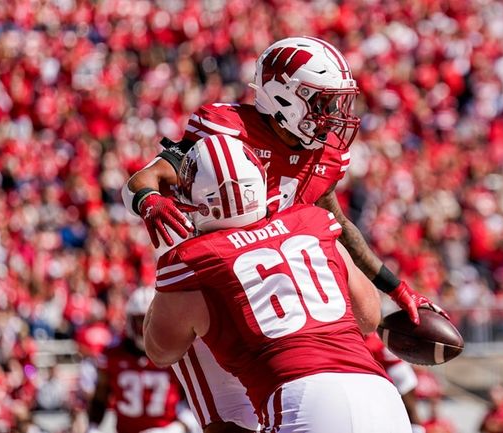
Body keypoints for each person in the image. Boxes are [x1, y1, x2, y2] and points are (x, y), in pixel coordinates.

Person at [124, 35, 442, 433]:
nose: (332, 115)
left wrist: (397, 288)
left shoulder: (322, 159)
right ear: (284, 97)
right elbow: (147, 177)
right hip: (218, 285)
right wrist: (149, 199)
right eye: (322, 102)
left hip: (277, 291)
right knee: (229, 418)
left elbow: (340, 226)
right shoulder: (227, 133)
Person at [143, 135, 412, 433]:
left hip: (301, 401)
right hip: (379, 395)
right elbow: (369, 316)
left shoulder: (192, 260)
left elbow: (161, 351)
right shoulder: (313, 222)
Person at [87, 287, 192, 433]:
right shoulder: (113, 355)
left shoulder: (177, 353)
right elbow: (100, 398)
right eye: (140, 321)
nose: (146, 329)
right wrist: (93, 427)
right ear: (129, 321)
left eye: (152, 321)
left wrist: (179, 427)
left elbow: (192, 400)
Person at [364, 332, 422, 432]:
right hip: (395, 374)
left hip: (399, 374)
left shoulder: (373, 340)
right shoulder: (380, 335)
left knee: (410, 411)